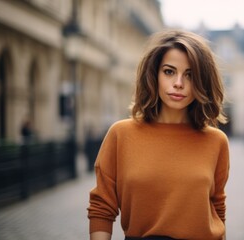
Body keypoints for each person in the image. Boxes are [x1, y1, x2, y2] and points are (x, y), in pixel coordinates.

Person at [87, 29, 230, 240]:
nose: (179, 83)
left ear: (202, 81)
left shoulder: (216, 141)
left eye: (190, 75)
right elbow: (102, 207)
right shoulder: (121, 134)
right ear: (154, 74)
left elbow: (217, 209)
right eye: (169, 72)